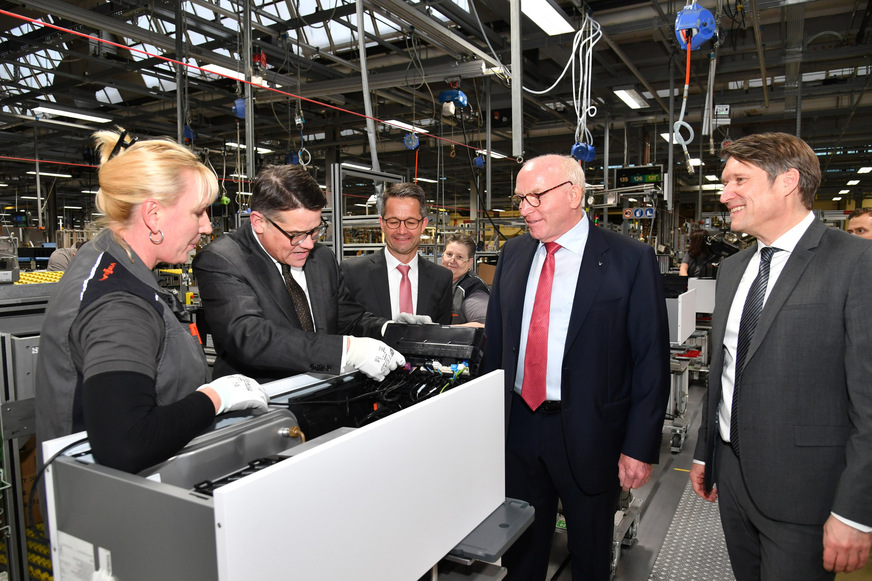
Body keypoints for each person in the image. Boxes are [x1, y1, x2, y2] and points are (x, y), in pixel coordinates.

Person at [689, 132, 872, 580]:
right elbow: (725, 372)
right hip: (732, 477)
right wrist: (705, 452)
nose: (724, 193)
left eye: (738, 180)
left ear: (787, 181)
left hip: (806, 493)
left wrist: (855, 512)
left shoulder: (855, 262)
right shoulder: (733, 268)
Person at [35, 128, 269, 474]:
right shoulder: (118, 304)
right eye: (198, 212)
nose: (207, 227)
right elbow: (126, 444)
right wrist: (216, 398)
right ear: (153, 215)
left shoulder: (109, 260)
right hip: (110, 507)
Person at [482, 154, 670, 580]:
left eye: (534, 197)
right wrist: (487, 425)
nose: (524, 208)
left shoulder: (628, 258)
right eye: (520, 198)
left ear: (573, 193)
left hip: (591, 432)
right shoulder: (513, 254)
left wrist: (639, 447)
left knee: (589, 552)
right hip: (520, 428)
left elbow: (650, 359)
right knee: (521, 552)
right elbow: (496, 348)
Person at [193, 164, 408, 384]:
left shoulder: (321, 258)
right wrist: (348, 350)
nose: (307, 244)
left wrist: (390, 328)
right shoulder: (222, 260)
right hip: (265, 407)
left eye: (314, 231)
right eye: (295, 234)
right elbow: (249, 338)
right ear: (259, 222)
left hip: (323, 399)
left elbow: (349, 319)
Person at [339, 182, 453, 324]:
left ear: (423, 225)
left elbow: (441, 336)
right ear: (382, 224)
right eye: (393, 222)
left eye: (410, 222)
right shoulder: (353, 273)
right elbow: (344, 326)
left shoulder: (441, 278)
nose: (402, 231)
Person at [441, 233, 489, 325]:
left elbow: (485, 325)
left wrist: (442, 331)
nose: (452, 260)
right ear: (443, 255)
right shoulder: (437, 280)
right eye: (449, 254)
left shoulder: (472, 289)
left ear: (470, 262)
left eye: (460, 257)